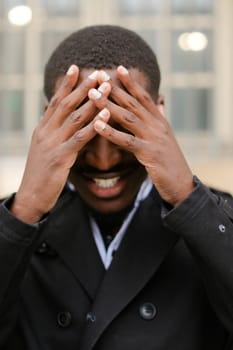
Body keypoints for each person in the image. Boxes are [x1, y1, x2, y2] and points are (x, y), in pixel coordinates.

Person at [0, 24, 233, 350]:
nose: (104, 161)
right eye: (83, 126)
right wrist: (23, 213)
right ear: (48, 120)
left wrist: (187, 197)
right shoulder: (14, 224)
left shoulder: (217, 220)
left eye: (122, 126)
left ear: (159, 116)